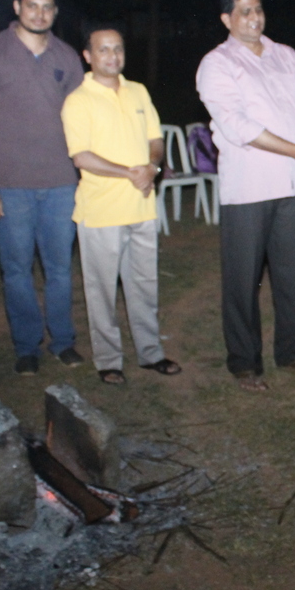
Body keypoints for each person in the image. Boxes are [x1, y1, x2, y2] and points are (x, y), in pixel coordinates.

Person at [196, 0, 295, 392]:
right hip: (249, 186)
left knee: (294, 276)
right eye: (244, 11)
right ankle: (244, 362)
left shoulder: (285, 55)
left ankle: (292, 352)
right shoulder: (217, 63)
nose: (254, 18)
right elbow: (236, 124)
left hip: (293, 184)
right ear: (227, 19)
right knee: (243, 280)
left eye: (257, 9)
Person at [0, 0, 85, 376]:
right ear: (17, 7)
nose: (40, 14)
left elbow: (82, 120)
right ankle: (26, 345)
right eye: (32, 5)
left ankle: (63, 341)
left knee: (59, 268)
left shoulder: (67, 57)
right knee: (17, 270)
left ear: (55, 12)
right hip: (10, 183)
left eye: (47, 7)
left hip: (61, 182)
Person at [61, 26, 181, 386]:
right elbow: (81, 156)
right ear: (88, 56)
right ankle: (108, 360)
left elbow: (155, 139)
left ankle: (150, 353)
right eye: (103, 49)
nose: (112, 56)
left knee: (144, 286)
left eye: (118, 49)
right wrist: (130, 173)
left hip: (141, 208)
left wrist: (152, 167)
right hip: (101, 213)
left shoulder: (138, 91)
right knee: (101, 291)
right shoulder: (78, 100)